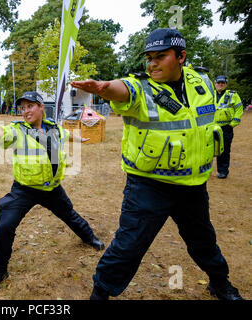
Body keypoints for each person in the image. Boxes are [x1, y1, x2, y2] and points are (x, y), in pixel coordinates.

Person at [71, 28, 243, 300]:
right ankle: (100, 294)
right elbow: (124, 89)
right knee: (128, 247)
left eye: (160, 57)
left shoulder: (204, 83)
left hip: (192, 186)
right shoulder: (142, 87)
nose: (152, 64)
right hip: (149, 188)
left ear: (181, 56)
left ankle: (220, 283)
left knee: (204, 242)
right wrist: (106, 88)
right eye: (149, 58)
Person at [0, 91, 105, 291]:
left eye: (30, 106)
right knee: (5, 225)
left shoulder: (53, 127)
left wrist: (80, 139)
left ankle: (88, 237)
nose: (25, 111)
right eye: (23, 108)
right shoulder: (18, 130)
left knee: (69, 213)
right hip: (24, 190)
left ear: (41, 107)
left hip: (52, 188)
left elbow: (67, 135)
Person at [213, 75, 244, 179]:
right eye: (218, 82)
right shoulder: (209, 94)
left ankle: (223, 171)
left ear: (226, 84)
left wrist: (232, 124)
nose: (220, 84)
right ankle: (205, 170)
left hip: (226, 127)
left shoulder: (232, 95)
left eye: (223, 83)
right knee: (207, 149)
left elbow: (239, 109)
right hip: (211, 127)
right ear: (215, 83)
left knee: (224, 150)